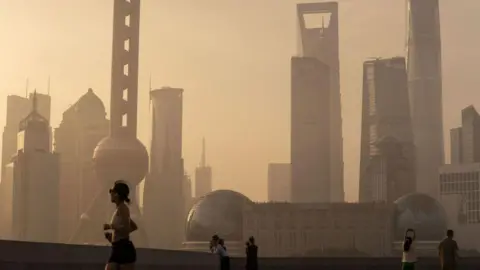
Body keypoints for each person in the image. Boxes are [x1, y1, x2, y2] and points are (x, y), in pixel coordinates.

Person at [103, 181, 138, 270]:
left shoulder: (123, 208)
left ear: (117, 194)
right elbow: (133, 227)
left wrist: (111, 226)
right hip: (117, 248)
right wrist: (113, 238)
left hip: (124, 250)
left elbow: (126, 229)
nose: (110, 194)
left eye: (111, 191)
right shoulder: (120, 209)